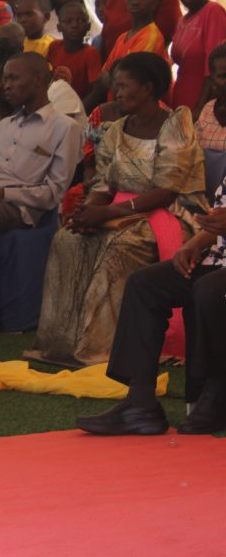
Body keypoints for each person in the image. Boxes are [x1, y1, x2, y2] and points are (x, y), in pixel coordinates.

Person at [30, 53, 205, 366]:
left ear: (149, 87)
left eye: (124, 87)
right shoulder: (114, 129)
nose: (117, 93)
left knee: (118, 249)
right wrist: (87, 214)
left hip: (172, 213)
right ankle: (61, 343)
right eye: (116, 87)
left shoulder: (175, 125)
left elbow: (166, 191)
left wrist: (108, 214)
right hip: (121, 208)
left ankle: (104, 349)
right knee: (67, 240)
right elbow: (102, 184)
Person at [0, 52, 84, 331]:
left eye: (13, 78)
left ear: (39, 80)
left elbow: (53, 192)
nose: (4, 85)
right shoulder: (4, 125)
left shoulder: (65, 128)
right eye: (3, 78)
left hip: (18, 208)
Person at [76, 180, 226, 436]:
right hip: (217, 260)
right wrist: (195, 244)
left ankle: (216, 393)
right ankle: (140, 403)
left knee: (209, 290)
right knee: (145, 284)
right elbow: (218, 221)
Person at [170, 0, 226, 112]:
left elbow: (214, 70)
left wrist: (199, 111)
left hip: (201, 105)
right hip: (181, 100)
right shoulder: (182, 21)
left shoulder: (213, 12)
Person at [102, 0, 169, 69]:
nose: (135, 2)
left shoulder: (151, 37)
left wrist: (111, 76)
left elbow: (131, 76)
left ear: (155, 1)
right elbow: (104, 73)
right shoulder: (122, 38)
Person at [47, 2, 101, 101]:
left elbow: (96, 90)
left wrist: (80, 110)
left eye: (81, 21)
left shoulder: (90, 54)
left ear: (88, 26)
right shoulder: (54, 47)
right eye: (68, 21)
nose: (74, 25)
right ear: (59, 27)